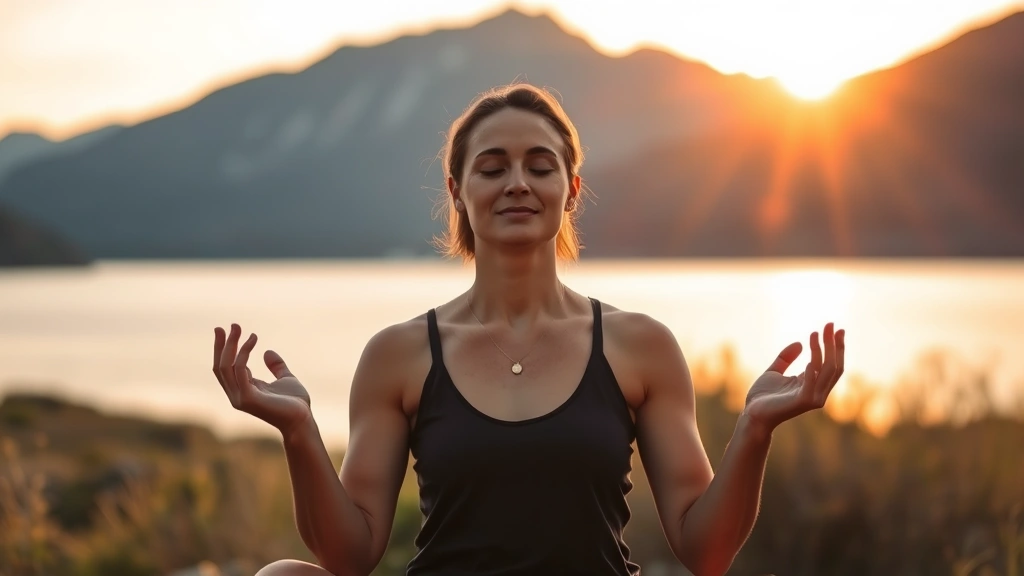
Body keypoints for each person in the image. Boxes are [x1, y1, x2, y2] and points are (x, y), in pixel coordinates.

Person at [211, 83, 846, 576]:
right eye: (493, 168)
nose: (517, 182)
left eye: (539, 166)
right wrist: (298, 431)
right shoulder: (398, 355)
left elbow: (704, 551)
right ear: (458, 190)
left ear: (570, 190)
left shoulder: (640, 346)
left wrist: (755, 429)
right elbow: (350, 557)